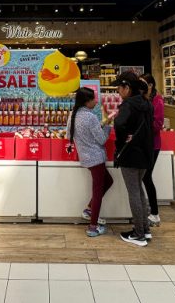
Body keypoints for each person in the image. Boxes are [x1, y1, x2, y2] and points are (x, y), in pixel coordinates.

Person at [112, 71, 153, 246]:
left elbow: (119, 123)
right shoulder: (146, 103)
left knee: (134, 193)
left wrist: (123, 139)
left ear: (127, 88)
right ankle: (145, 228)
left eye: (119, 88)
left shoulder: (128, 104)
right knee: (140, 191)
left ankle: (138, 234)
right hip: (145, 153)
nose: (118, 92)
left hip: (130, 154)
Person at [66, 87, 112, 237]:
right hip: (96, 158)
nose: (96, 101)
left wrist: (102, 125)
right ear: (87, 101)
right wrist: (108, 125)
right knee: (98, 191)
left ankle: (89, 209)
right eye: (94, 99)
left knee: (109, 181)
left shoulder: (73, 115)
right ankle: (93, 227)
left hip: (85, 157)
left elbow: (69, 135)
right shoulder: (91, 117)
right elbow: (102, 139)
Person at [140, 73, 164, 227]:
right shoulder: (143, 99)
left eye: (143, 84)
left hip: (152, 145)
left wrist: (141, 127)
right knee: (144, 176)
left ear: (150, 85)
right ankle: (150, 209)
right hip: (143, 144)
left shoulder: (157, 100)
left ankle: (154, 212)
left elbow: (157, 124)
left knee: (146, 176)